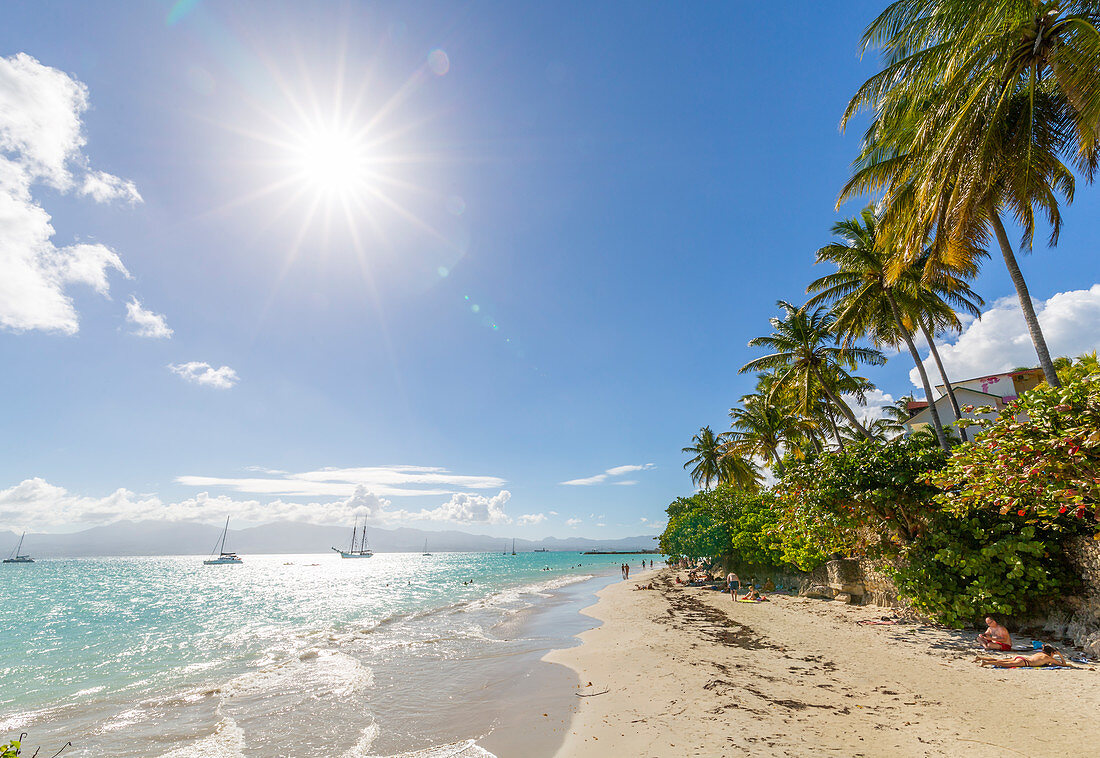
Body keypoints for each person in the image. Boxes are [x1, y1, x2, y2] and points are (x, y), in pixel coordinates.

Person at [976, 645, 1069, 668]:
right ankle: (985, 662)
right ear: (1051, 652)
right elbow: (1063, 664)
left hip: (1021, 658)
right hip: (1025, 662)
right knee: (1002, 663)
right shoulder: (1049, 658)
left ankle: (981, 658)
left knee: (1000, 660)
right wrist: (1060, 655)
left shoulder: (1039, 654)